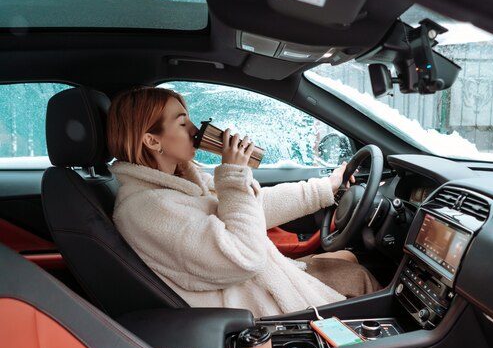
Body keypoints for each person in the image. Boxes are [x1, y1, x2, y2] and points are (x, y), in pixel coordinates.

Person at [106, 87, 380, 317]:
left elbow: (250, 212)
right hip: (259, 311)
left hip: (263, 284)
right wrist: (234, 178)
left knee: (348, 260)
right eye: (182, 122)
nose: (195, 129)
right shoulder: (150, 210)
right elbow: (245, 258)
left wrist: (325, 188)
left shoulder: (180, 183)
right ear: (153, 141)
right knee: (362, 279)